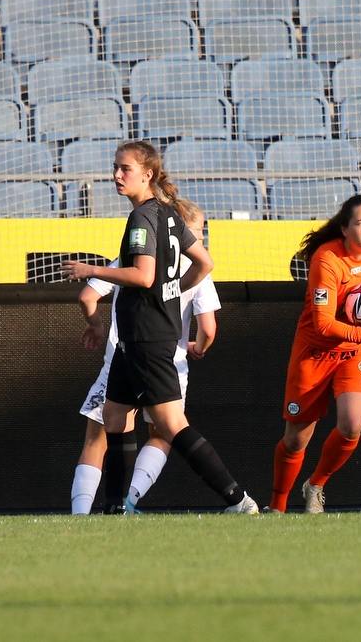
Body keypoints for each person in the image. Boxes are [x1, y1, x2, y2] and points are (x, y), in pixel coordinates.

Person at [61, 140, 257, 514]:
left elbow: (143, 275)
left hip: (147, 339)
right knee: (115, 417)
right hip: (134, 339)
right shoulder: (169, 213)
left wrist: (91, 270)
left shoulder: (143, 217)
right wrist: (175, 291)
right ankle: (116, 508)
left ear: (147, 174)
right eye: (115, 167)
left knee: (170, 425)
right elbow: (205, 263)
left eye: (125, 169)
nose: (117, 175)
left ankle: (238, 500)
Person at [69, 200, 221, 515]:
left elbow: (88, 295)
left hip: (118, 360)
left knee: (98, 440)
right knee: (165, 433)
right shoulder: (197, 273)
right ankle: (129, 500)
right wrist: (199, 348)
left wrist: (95, 326)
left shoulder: (131, 259)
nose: (200, 239)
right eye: (197, 232)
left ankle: (81, 515)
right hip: (166, 364)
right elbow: (208, 327)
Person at [270, 194, 361, 514]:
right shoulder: (326, 260)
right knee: (296, 440)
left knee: (353, 424)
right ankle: (277, 507)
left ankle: (316, 485)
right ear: (344, 228)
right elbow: (324, 324)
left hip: (357, 351)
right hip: (315, 352)